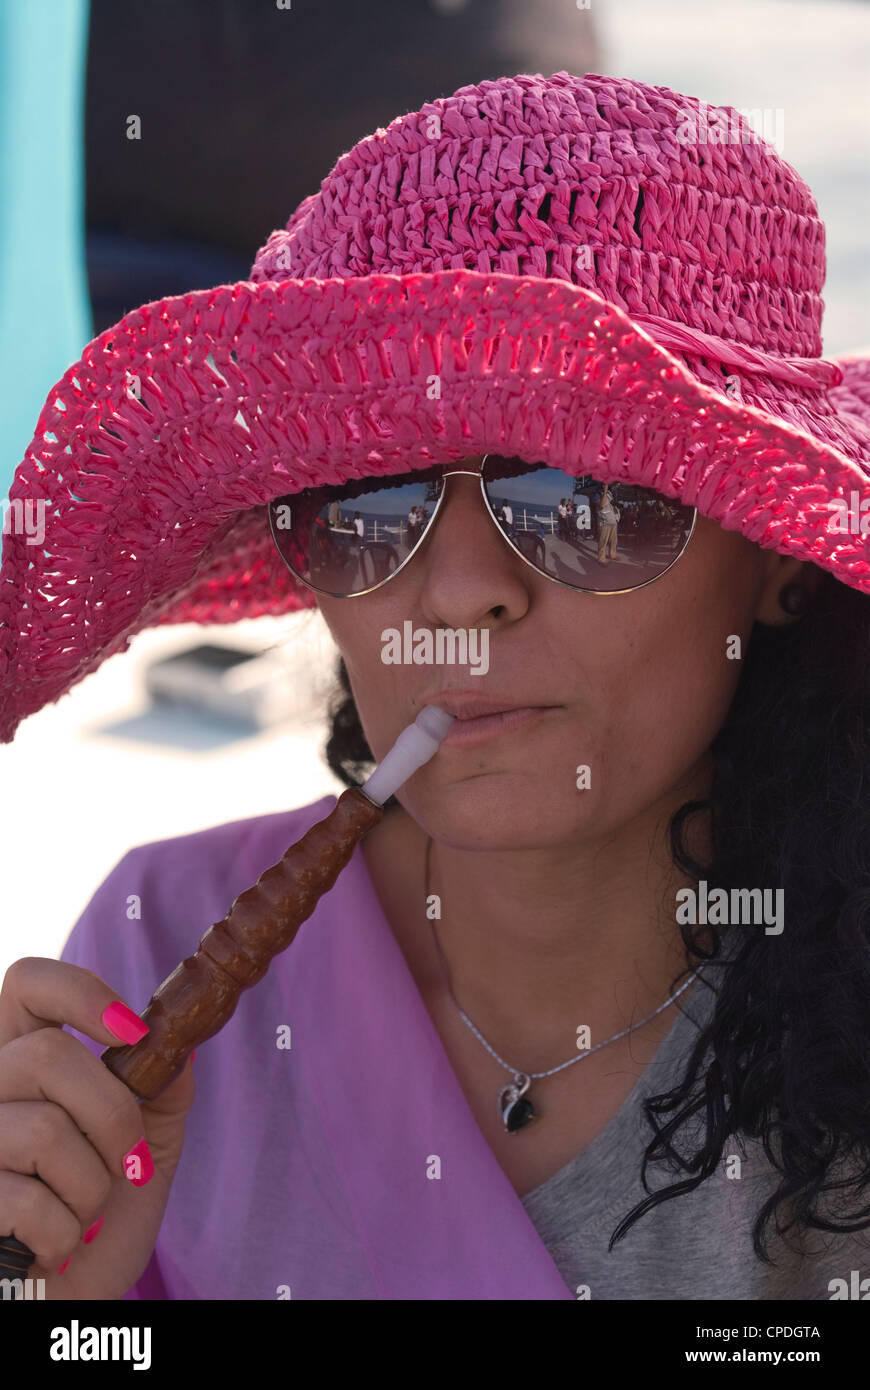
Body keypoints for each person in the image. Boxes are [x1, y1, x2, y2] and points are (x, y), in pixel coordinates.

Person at [1, 72, 869, 1303]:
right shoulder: (146, 966)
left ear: (773, 552)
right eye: (369, 507)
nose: (459, 595)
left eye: (578, 496)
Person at [597, 486, 620, 564]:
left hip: (613, 521)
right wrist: (605, 491)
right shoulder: (597, 494)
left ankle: (612, 555)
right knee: (603, 542)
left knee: (614, 541)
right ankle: (601, 559)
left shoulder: (610, 496)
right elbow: (602, 505)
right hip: (604, 523)